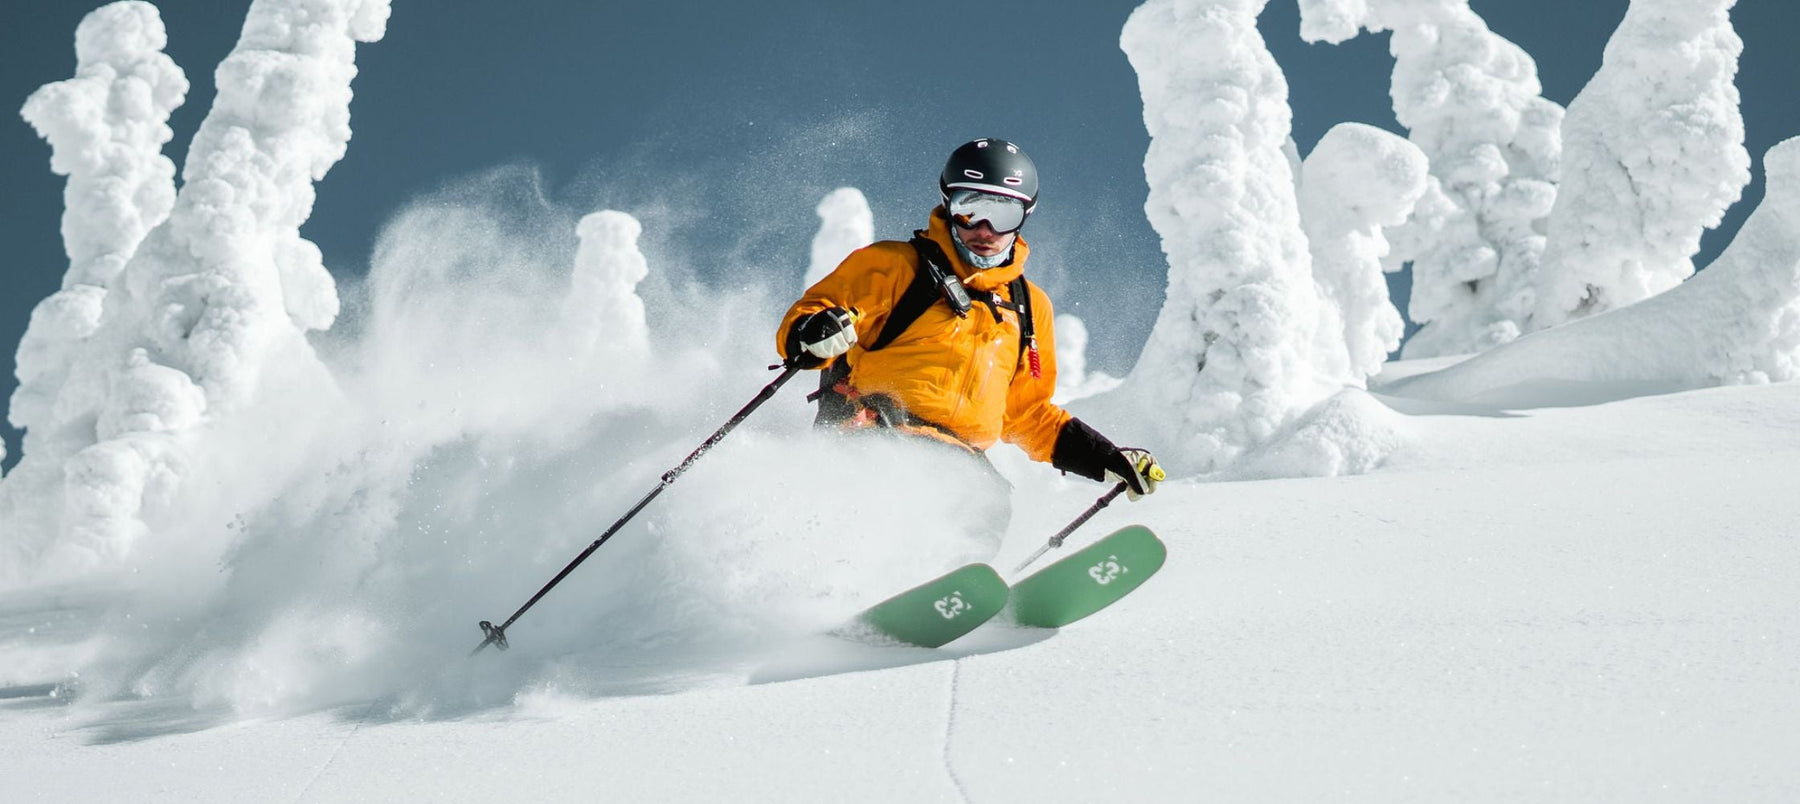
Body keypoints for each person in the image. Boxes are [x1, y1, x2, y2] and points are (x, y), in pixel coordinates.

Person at [775, 138, 1163, 506]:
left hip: (960, 461)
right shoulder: (895, 266)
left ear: (1024, 217)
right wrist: (812, 333)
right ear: (948, 205)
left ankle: (958, 578)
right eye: (970, 209)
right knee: (918, 488)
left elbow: (1026, 413)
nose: (984, 230)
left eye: (1003, 215)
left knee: (989, 502)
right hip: (876, 434)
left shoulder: (1028, 307)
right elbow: (817, 312)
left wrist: (1105, 458)